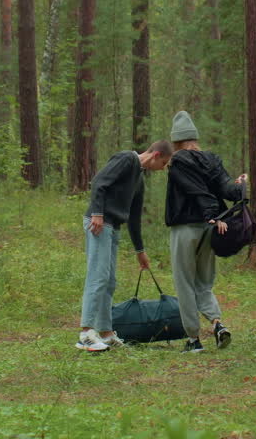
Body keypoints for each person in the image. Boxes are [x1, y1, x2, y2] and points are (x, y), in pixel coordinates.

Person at [77, 140, 173, 352]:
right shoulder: (126, 159)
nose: (162, 169)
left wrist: (140, 251)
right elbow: (99, 181)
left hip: (113, 227)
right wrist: (98, 213)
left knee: (110, 281)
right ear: (156, 155)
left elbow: (135, 217)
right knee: (98, 275)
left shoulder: (139, 178)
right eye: (164, 163)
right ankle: (85, 333)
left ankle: (106, 332)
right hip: (98, 223)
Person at [165, 110, 246, 352]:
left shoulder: (178, 161)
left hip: (185, 229)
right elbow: (227, 190)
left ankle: (193, 340)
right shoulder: (211, 159)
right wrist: (240, 186)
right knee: (203, 282)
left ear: (176, 141)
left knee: (184, 283)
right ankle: (218, 324)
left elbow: (195, 191)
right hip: (210, 230)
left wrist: (210, 213)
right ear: (194, 137)